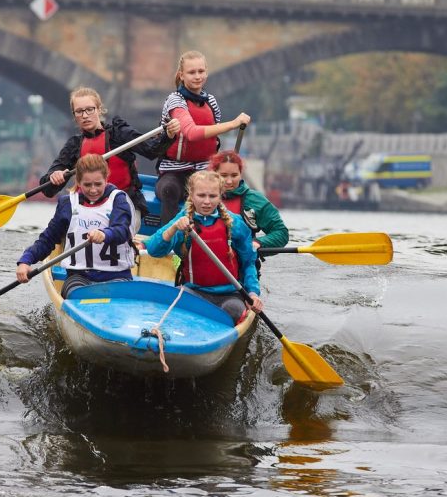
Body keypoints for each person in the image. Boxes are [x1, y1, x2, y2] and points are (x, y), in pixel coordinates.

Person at [40, 87, 180, 233]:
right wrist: (54, 176)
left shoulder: (119, 134)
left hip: (125, 203)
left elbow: (152, 150)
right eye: (79, 111)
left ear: (99, 110)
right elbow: (48, 190)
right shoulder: (74, 145)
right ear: (74, 116)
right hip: (89, 207)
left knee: (113, 229)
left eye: (90, 109)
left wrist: (168, 135)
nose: (85, 115)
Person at [144, 170, 263, 325]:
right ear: (191, 195)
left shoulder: (235, 224)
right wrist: (173, 228)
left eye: (212, 196)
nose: (207, 202)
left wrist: (253, 293)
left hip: (230, 294)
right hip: (194, 292)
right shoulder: (183, 221)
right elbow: (154, 250)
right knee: (179, 306)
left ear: (220, 196)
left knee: (233, 311)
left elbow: (249, 263)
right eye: (201, 196)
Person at [17, 154, 135, 298]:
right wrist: (25, 260)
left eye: (98, 184)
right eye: (87, 185)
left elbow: (121, 230)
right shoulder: (67, 204)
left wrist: (105, 234)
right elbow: (48, 239)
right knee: (76, 295)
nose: (93, 190)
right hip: (80, 277)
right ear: (78, 181)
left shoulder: (118, 200)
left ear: (106, 180)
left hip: (117, 275)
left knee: (119, 297)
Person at [156, 50, 251, 225]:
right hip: (174, 171)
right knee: (170, 190)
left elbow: (212, 135)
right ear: (181, 75)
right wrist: (234, 123)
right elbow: (191, 133)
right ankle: (167, 240)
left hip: (204, 170)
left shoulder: (211, 101)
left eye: (201, 71)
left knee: (218, 192)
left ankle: (226, 236)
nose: (197, 76)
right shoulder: (175, 101)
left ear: (206, 73)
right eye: (192, 72)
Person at [210, 150, 289, 251]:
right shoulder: (201, 196)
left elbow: (281, 233)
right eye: (224, 175)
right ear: (214, 174)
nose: (229, 181)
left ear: (241, 174)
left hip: (243, 261)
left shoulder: (255, 200)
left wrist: (258, 242)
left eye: (234, 175)